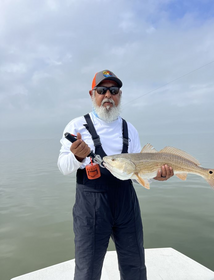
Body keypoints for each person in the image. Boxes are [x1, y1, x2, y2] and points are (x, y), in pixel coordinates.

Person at [57, 70, 174, 280]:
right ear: (92, 94)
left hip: (126, 204)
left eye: (114, 90)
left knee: (135, 266)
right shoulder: (76, 126)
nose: (108, 95)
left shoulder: (130, 129)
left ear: (120, 95)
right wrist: (76, 157)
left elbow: (138, 170)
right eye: (102, 90)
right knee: (87, 271)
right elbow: (63, 167)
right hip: (91, 207)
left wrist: (158, 175)